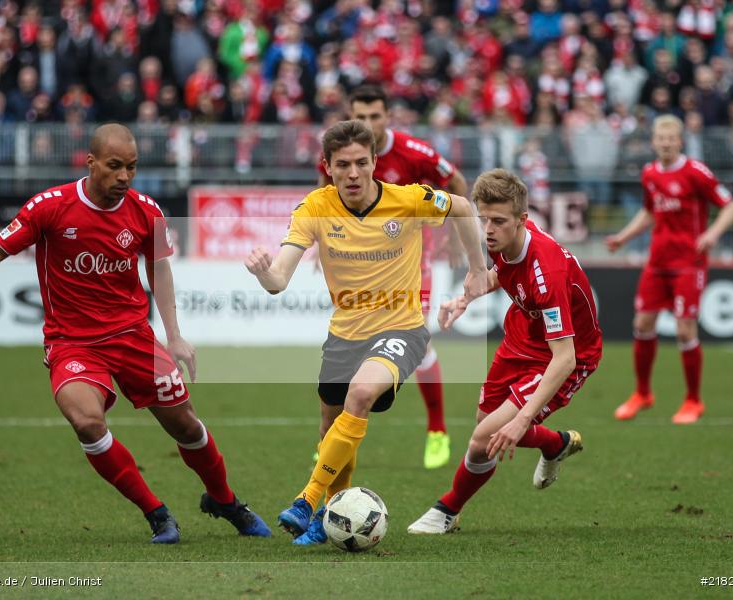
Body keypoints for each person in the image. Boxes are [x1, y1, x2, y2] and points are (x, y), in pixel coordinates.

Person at [0, 123, 271, 544]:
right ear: (91, 163)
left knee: (187, 427)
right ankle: (157, 513)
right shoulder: (49, 206)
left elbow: (159, 269)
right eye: (114, 166)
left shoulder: (147, 211)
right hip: (72, 343)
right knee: (87, 422)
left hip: (133, 337)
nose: (124, 176)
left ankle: (225, 500)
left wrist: (174, 335)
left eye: (131, 167)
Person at [246, 119, 486, 545]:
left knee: (359, 394)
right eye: (343, 165)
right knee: (331, 424)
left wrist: (478, 269)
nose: (353, 173)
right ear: (328, 166)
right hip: (344, 334)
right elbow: (280, 279)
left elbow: (464, 207)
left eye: (361, 163)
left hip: (402, 328)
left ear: (376, 162)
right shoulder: (315, 207)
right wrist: (265, 275)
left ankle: (308, 500)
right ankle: (330, 517)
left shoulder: (409, 199)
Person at [407, 168, 602, 534]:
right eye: (484, 220)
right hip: (520, 338)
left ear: (522, 221)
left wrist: (523, 418)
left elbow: (566, 357)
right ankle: (556, 444)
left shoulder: (548, 271)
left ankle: (446, 510)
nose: (488, 230)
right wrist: (465, 299)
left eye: (498, 221)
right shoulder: (504, 243)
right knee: (487, 427)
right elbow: (503, 273)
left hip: (565, 355)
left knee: (483, 440)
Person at [317, 84, 470, 470]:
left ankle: (436, 429)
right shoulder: (343, 154)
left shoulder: (415, 153)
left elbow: (457, 186)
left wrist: (452, 238)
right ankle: (335, 439)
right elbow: (324, 194)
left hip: (409, 260)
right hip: (357, 263)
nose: (367, 124)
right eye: (360, 117)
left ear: (388, 116)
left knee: (416, 340)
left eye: (375, 116)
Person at [606, 114, 733, 424]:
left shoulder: (696, 172)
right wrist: (623, 238)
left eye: (671, 139)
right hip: (658, 261)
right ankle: (642, 393)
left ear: (680, 141)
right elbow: (650, 212)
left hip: (688, 263)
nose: (665, 144)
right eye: (660, 139)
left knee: (684, 329)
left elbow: (731, 206)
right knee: (642, 324)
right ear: (653, 141)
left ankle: (693, 400)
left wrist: (711, 234)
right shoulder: (649, 172)